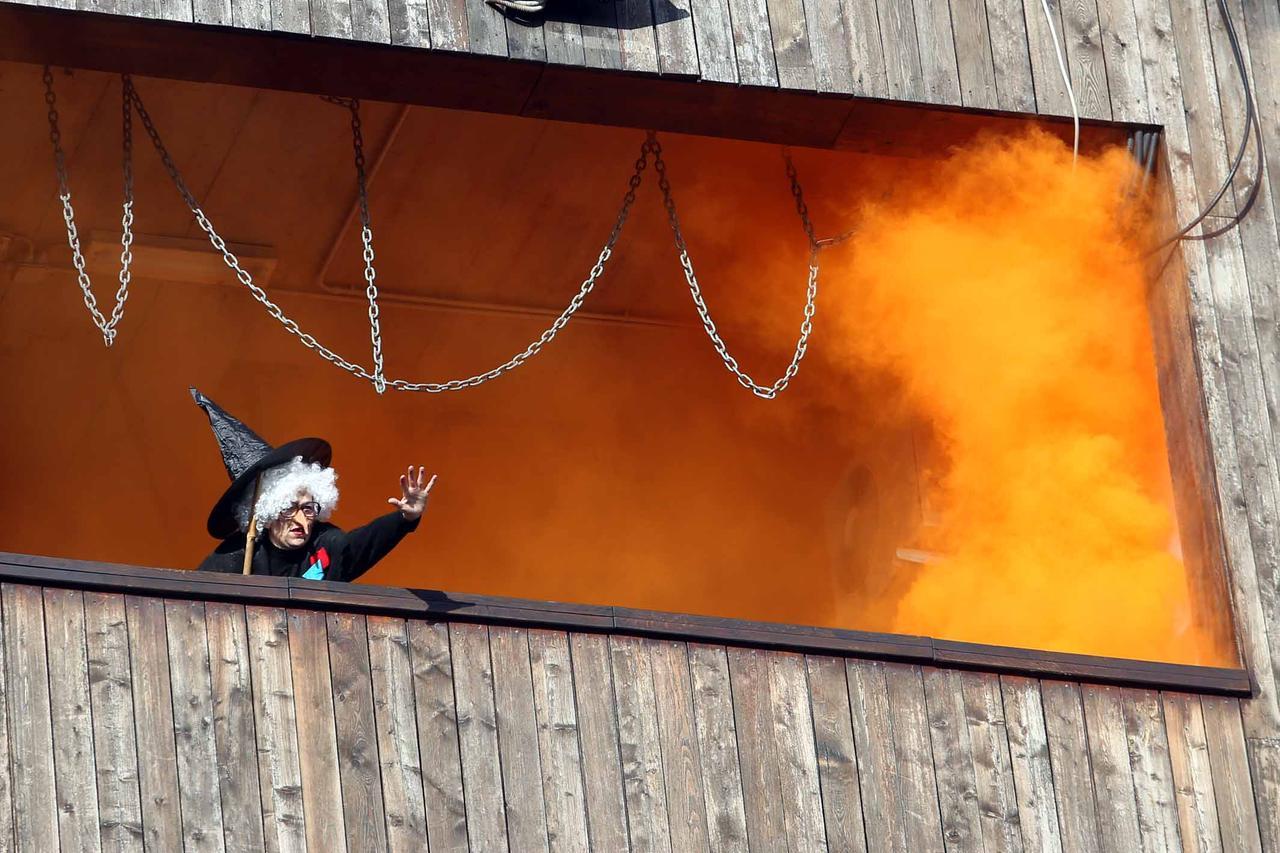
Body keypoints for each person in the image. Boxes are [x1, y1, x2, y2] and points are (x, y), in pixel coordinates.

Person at [191, 388, 435, 580]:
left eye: (308, 508)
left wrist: (405, 519)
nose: (301, 520)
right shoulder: (235, 556)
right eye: (289, 507)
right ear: (267, 513)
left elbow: (360, 544)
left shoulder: (325, 544)